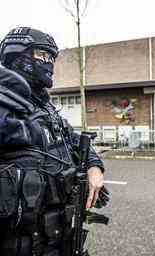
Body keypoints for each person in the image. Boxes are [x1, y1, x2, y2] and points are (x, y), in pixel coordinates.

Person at [0, 27, 105, 256]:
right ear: (17, 55)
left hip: (57, 239)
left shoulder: (44, 107)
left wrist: (95, 166)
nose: (48, 63)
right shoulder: (5, 102)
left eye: (51, 58)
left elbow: (72, 139)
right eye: (42, 55)